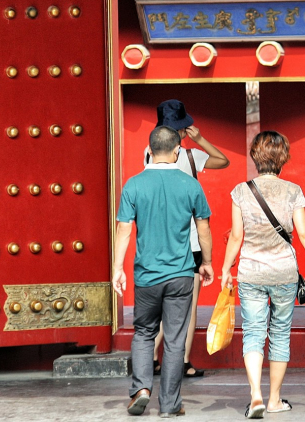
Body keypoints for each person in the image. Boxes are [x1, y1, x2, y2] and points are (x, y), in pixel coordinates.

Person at [221, 130, 305, 419]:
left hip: (251, 273)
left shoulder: (241, 191)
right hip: (283, 273)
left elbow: (235, 236)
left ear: (255, 157)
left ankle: (255, 395)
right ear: (283, 158)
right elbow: (304, 233)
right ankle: (274, 400)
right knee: (280, 334)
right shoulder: (293, 191)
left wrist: (224, 268)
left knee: (253, 333)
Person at [113, 125, 214, 417]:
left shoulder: (133, 184)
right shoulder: (190, 185)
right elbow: (203, 228)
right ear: (177, 151)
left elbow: (123, 230)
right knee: (174, 339)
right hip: (181, 274)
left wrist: (118, 268)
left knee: (144, 333)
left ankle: (141, 389)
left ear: (149, 151)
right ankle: (169, 405)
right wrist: (206, 262)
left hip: (146, 276)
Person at [146, 99, 230, 378]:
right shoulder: (191, 156)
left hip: (158, 240)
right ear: (181, 132)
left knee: (160, 303)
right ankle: (181, 361)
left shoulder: (148, 155)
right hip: (190, 242)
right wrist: (202, 139)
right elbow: (223, 161)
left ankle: (151, 359)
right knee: (188, 304)